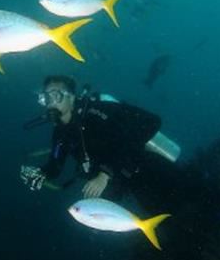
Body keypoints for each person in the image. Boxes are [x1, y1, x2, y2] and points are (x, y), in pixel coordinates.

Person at [20, 75, 182, 212]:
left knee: (185, 202)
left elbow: (152, 122)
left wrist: (105, 173)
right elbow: (55, 165)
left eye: (55, 96)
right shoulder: (61, 133)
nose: (50, 103)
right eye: (45, 98)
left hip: (151, 170)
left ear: (71, 96)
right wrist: (40, 174)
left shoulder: (97, 112)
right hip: (129, 187)